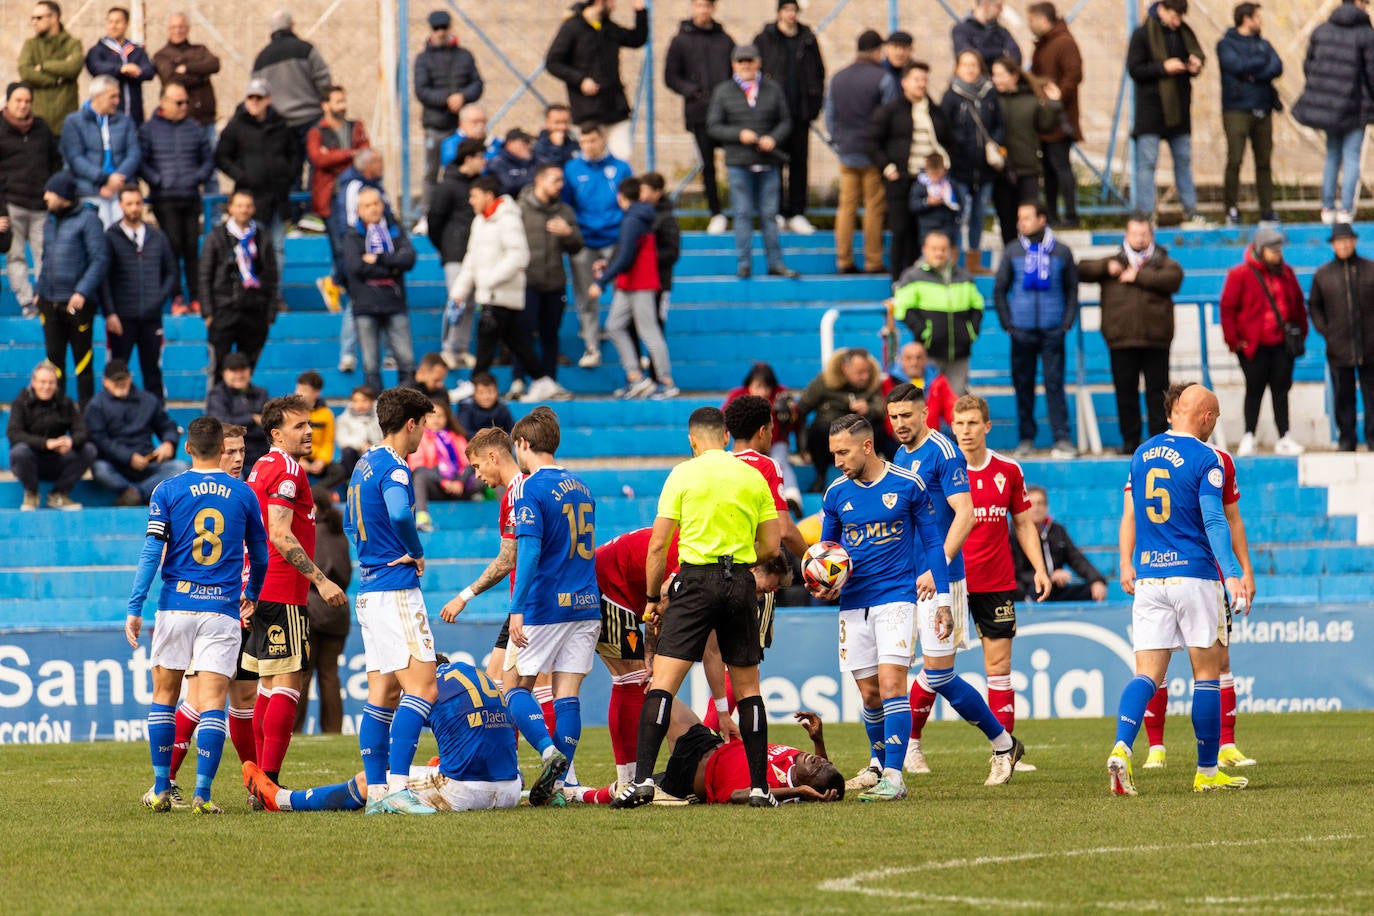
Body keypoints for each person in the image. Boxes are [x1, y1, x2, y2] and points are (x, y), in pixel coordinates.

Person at [612, 406, 780, 809]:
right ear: (725, 437)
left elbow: (657, 544)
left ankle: (641, 783)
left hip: (695, 580)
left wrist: (653, 597)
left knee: (663, 684)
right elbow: (771, 547)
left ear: (692, 441)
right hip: (739, 581)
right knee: (750, 690)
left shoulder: (683, 474)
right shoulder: (753, 476)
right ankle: (760, 789)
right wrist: (739, 559)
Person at [1106, 384, 1248, 796]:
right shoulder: (1209, 458)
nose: (1215, 425)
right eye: (1216, 418)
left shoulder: (1141, 453)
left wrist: (1127, 563)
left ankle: (1121, 745)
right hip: (1195, 576)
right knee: (1207, 674)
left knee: (1147, 674)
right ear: (1204, 417)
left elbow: (1130, 514)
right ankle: (1206, 771)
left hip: (1150, 577)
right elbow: (1215, 520)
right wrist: (1233, 573)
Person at [125, 416, 269, 813]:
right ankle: (203, 796)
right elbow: (259, 555)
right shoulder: (242, 494)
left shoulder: (167, 489)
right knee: (212, 703)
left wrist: (136, 606)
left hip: (175, 606)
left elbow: (152, 552)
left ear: (188, 448)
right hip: (221, 610)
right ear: (221, 449)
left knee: (165, 697)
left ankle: (160, 788)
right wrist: (252, 593)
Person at [811, 413, 953, 800]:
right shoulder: (835, 493)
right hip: (853, 605)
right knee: (870, 696)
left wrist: (942, 599)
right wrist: (824, 585)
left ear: (867, 446)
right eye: (833, 454)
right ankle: (878, 766)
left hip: (896, 599)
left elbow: (934, 544)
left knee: (892, 687)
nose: (837, 461)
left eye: (842, 452)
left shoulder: (908, 485)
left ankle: (894, 775)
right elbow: (827, 553)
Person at [245, 657, 526, 813]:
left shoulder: (427, 686)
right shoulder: (472, 673)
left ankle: (282, 799)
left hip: (466, 792)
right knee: (442, 759)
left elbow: (400, 736)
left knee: (372, 780)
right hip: (512, 788)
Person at [494, 407, 602, 806]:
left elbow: (530, 549)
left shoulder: (527, 487)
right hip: (587, 603)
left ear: (523, 444)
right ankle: (558, 787)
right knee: (567, 693)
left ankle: (548, 752)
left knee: (514, 688)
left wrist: (517, 607)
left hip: (545, 603)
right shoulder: (581, 486)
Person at [343, 386, 441, 815]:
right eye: (423, 425)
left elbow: (351, 524)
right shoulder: (396, 469)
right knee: (423, 688)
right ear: (411, 424)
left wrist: (373, 553)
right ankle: (400, 788)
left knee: (381, 693)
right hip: (396, 589)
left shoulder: (363, 463)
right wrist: (414, 551)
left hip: (369, 588)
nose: (423, 436)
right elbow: (401, 513)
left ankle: (379, 791)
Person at [245, 394, 348, 788]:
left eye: (310, 424)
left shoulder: (262, 465)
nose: (309, 432)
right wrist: (321, 580)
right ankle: (268, 779)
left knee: (268, 686)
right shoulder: (288, 470)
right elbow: (280, 533)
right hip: (283, 588)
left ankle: (259, 781)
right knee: (288, 683)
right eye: (299, 426)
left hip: (260, 586)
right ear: (276, 433)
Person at [879, 383, 975, 778]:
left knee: (938, 672)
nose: (900, 423)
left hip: (941, 579)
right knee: (897, 670)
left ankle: (1001, 744)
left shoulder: (945, 451)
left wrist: (937, 568)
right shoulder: (901, 454)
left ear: (924, 413)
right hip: (906, 579)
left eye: (906, 415)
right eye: (894, 416)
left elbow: (965, 514)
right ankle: (899, 755)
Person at [163, 423, 262, 801]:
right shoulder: (212, 493)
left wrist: (252, 595)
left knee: (242, 697)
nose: (237, 459)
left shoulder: (246, 492)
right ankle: (167, 780)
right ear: (213, 450)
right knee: (205, 699)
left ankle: (254, 786)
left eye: (241, 452)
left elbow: (255, 553)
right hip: (212, 609)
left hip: (241, 607)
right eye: (230, 451)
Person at [952, 395, 1052, 757]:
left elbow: (1024, 524)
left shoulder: (1008, 470)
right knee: (935, 668)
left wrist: (1040, 568)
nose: (965, 431)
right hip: (951, 583)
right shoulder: (944, 471)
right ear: (952, 427)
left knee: (999, 668)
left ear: (987, 426)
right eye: (959, 423)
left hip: (995, 583)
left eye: (972, 423)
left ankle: (1005, 751)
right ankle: (912, 745)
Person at [451, 176, 568, 403]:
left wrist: (489, 280)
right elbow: (471, 259)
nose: (471, 201)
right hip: (490, 293)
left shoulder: (507, 219)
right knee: (517, 341)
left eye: (474, 196)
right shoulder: (480, 222)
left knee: (487, 339)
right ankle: (543, 381)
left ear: (488, 195)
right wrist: (459, 291)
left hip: (502, 294)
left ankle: (476, 383)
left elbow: (519, 255)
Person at [581, 706, 841, 805]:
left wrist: (801, 792)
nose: (819, 760)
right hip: (707, 741)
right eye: (824, 760)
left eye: (819, 768)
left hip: (690, 774)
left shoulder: (783, 789)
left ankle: (581, 795)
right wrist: (818, 741)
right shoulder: (801, 759)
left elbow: (739, 795)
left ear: (809, 786)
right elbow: (823, 767)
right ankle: (583, 793)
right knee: (658, 695)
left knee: (627, 790)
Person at [1079, 215, 1183, 453]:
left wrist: (1138, 276)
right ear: (1126, 236)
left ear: (1151, 236)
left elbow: (1175, 278)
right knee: (1125, 392)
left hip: (1156, 340)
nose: (1139, 238)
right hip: (1121, 340)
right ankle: (1130, 442)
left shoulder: (1162, 261)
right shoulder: (1114, 261)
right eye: (1135, 234)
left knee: (1159, 393)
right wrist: (1106, 267)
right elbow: (1081, 269)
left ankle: (1160, 441)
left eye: (1144, 234)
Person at [438, 425, 524, 687]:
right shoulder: (517, 490)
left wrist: (463, 597)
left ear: (492, 457)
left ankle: (556, 731)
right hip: (521, 602)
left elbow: (507, 559)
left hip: (532, 602)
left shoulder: (520, 492)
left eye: (477, 466)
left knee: (532, 688)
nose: (476, 475)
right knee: (497, 684)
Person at [994, 201, 1079, 459]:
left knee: (1055, 384)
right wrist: (1008, 324)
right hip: (1021, 331)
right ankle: (1026, 439)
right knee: (1023, 385)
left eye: (1027, 217)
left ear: (1042, 219)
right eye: (1020, 217)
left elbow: (1072, 289)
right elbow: (1000, 289)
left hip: (1053, 330)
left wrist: (1066, 322)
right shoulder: (1012, 251)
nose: (1022, 222)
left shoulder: (1062, 251)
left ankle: (1062, 438)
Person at [706, 44, 798, 281]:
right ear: (733, 65)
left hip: (768, 163)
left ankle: (775, 263)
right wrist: (739, 135)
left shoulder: (773, 89)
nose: (745, 65)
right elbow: (713, 126)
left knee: (770, 215)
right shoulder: (723, 91)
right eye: (740, 61)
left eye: (750, 60)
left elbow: (786, 121)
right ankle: (744, 264)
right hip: (739, 163)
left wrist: (773, 138)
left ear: (758, 62)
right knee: (743, 213)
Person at [1219, 226, 1308, 456]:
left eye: (1279, 249)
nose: (1277, 253)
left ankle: (1284, 436)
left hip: (1281, 345)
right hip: (1253, 346)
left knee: (1281, 390)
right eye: (1272, 249)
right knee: (1254, 389)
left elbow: (1297, 303)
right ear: (1260, 249)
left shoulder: (1287, 273)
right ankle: (1249, 435)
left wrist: (1301, 333)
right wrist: (1234, 341)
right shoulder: (1240, 274)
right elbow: (1227, 308)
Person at [868, 61, 955, 281]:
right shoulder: (892, 110)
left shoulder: (935, 111)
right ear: (904, 82)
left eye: (925, 80)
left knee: (924, 235)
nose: (921, 84)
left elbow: (949, 141)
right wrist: (887, 168)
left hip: (929, 182)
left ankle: (924, 281)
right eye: (916, 79)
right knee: (900, 231)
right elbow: (872, 142)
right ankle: (898, 281)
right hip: (901, 181)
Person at [591, 176, 676, 399]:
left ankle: (666, 382)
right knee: (614, 325)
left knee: (649, 332)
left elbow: (627, 256)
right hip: (630, 283)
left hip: (640, 284)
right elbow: (628, 251)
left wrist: (601, 281)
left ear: (621, 197)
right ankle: (637, 378)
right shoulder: (635, 217)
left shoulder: (633, 219)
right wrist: (608, 265)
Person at [1292, 0, 1374, 224]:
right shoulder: (1365, 34)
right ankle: (1346, 210)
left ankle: (1327, 209)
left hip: (1328, 108)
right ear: (1358, 3)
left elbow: (1309, 65)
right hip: (1355, 107)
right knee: (1351, 157)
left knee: (1332, 156)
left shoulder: (1322, 30)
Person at [1127, 0, 1206, 223]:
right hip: (1151, 111)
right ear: (1162, 9)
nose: (1177, 21)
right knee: (1147, 162)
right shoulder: (1142, 34)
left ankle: (1191, 211)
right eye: (1174, 15)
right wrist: (1163, 67)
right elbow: (1134, 68)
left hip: (1178, 111)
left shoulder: (1184, 34)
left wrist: (1195, 65)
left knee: (1183, 160)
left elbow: (1198, 56)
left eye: (1181, 17)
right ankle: (1145, 212)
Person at [35, 171, 109, 408]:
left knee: (82, 363)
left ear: (64, 195)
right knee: (54, 362)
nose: (45, 197)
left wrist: (81, 292)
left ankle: (86, 416)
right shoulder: (49, 221)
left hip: (77, 304)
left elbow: (100, 259)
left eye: (50, 192)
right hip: (50, 302)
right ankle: (56, 413)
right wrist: (39, 291)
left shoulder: (89, 220)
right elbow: (46, 259)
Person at [139, 82, 214, 314]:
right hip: (165, 198)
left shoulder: (194, 127)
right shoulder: (149, 129)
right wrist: (157, 180)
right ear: (163, 102)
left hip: (190, 196)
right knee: (172, 247)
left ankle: (197, 297)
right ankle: (176, 297)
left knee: (192, 248)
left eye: (186, 102)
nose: (184, 107)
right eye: (179, 102)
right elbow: (141, 160)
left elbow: (208, 158)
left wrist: (198, 177)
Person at [545, 0, 648, 163]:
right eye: (611, 2)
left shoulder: (607, 28)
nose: (613, 6)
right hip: (588, 110)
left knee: (622, 157)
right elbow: (552, 62)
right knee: (591, 158)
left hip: (615, 108)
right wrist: (580, 80)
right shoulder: (573, 27)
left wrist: (640, 12)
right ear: (600, 2)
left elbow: (637, 39)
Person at [663, 0, 735, 234]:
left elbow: (737, 74)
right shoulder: (680, 41)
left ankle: (741, 211)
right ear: (692, 7)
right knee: (708, 166)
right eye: (698, 5)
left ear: (713, 8)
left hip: (728, 115)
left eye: (707, 6)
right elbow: (671, 76)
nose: (702, 10)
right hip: (699, 114)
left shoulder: (725, 40)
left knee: (736, 162)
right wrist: (692, 91)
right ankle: (716, 213)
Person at [563, 123, 631, 368]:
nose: (588, 146)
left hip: (613, 239)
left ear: (603, 139)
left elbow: (629, 203)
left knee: (623, 292)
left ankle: (629, 348)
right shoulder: (572, 168)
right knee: (585, 295)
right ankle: (592, 347)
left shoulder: (621, 168)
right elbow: (566, 205)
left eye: (592, 140)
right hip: (584, 240)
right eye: (584, 142)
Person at [753, 1, 824, 234]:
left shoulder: (807, 38)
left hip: (800, 113)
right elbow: (755, 75)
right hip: (774, 117)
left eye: (794, 10)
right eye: (786, 10)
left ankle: (796, 212)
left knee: (799, 164)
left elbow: (818, 73)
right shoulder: (765, 39)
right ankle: (776, 212)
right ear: (779, 12)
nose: (790, 15)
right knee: (774, 164)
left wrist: (814, 106)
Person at [101, 187, 177, 401]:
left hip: (151, 318)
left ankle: (160, 422)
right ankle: (115, 418)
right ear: (120, 205)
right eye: (129, 203)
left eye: (137, 203)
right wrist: (110, 313)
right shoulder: (110, 237)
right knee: (117, 371)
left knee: (153, 372)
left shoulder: (158, 236)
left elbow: (171, 272)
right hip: (121, 319)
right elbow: (104, 279)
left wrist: (158, 299)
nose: (134, 208)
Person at [215, 79, 297, 275]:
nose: (254, 102)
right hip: (250, 198)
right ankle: (252, 294)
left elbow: (295, 154)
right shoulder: (236, 125)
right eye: (250, 97)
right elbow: (221, 156)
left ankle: (274, 296)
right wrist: (241, 176)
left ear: (268, 100)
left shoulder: (281, 125)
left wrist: (287, 175)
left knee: (277, 248)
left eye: (259, 98)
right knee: (249, 247)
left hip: (277, 197)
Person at [343, 187, 418, 395]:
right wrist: (392, 265)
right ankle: (377, 412)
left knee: (406, 359)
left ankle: (406, 405)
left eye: (376, 203)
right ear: (359, 210)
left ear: (382, 205)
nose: (373, 209)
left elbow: (409, 258)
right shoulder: (352, 236)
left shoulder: (395, 229)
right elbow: (356, 266)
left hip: (394, 303)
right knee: (370, 363)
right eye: (367, 205)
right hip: (365, 305)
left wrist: (378, 258)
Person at [825, 30, 889, 275]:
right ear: (876, 50)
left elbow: (829, 116)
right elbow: (888, 116)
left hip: (847, 151)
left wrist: (838, 142)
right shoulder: (882, 78)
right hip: (873, 153)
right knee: (874, 207)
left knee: (847, 207)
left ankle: (844, 260)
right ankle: (873, 261)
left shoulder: (838, 78)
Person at [890, 230, 984, 395]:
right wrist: (924, 332)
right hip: (928, 354)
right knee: (928, 403)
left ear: (950, 251)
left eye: (943, 249)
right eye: (934, 249)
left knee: (957, 405)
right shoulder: (913, 276)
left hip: (960, 355)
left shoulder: (964, 276)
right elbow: (901, 308)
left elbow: (978, 306)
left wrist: (971, 332)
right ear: (924, 250)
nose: (939, 253)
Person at [199, 189, 279, 380]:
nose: (244, 210)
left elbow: (271, 275)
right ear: (231, 208)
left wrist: (270, 312)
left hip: (254, 309)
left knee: (248, 366)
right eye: (239, 206)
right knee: (218, 367)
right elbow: (204, 276)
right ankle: (217, 407)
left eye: (248, 206)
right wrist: (208, 312)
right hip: (223, 309)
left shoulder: (262, 237)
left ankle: (245, 405)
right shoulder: (216, 237)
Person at [518, 161, 584, 392]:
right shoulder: (520, 208)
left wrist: (568, 234)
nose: (560, 185)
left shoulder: (564, 211)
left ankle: (550, 381)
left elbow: (578, 245)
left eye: (561, 180)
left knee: (550, 335)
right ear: (539, 180)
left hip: (554, 283)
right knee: (522, 332)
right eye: (555, 180)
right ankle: (520, 380)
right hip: (526, 282)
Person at [85, 358, 186, 505]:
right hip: (115, 466)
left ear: (130, 378)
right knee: (100, 469)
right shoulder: (96, 406)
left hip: (149, 463)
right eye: (115, 380)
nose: (120, 383)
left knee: (181, 468)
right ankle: (142, 492)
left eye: (123, 379)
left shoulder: (148, 400)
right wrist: (128, 457)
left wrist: (169, 443)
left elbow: (167, 426)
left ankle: (134, 494)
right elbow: (100, 440)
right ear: (105, 382)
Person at [1309, 224, 1374, 451]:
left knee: (1372, 396)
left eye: (1348, 240)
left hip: (1370, 347)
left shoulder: (1370, 269)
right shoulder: (1323, 274)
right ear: (1333, 244)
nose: (1345, 244)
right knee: (1343, 397)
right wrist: (1326, 331)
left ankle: (1373, 438)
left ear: (1355, 241)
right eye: (1340, 241)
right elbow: (1314, 306)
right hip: (1339, 348)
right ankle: (1347, 439)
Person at [0, 82, 61, 318]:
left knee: (45, 254)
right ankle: (27, 302)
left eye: (27, 101)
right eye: (18, 100)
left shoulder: (42, 128)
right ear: (8, 101)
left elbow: (55, 160)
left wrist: (51, 189)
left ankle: (45, 298)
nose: (23, 105)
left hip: (39, 204)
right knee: (15, 256)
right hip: (11, 204)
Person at [414, 9, 483, 215]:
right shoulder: (424, 59)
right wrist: (448, 99)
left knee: (465, 168)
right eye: (437, 28)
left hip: (462, 127)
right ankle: (429, 214)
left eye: (444, 28)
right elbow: (422, 90)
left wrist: (462, 97)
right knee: (432, 172)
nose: (441, 32)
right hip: (436, 125)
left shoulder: (464, 56)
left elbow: (477, 84)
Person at [327, 149, 393, 366]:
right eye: (380, 162)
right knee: (356, 300)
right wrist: (352, 255)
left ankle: (389, 354)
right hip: (358, 255)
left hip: (378, 256)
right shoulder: (354, 188)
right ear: (369, 165)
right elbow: (348, 225)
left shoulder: (373, 185)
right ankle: (348, 352)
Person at [1217, 3, 1281, 224]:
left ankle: (1267, 210)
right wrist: (1259, 66)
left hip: (1263, 107)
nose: (1260, 21)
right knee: (1235, 159)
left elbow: (1277, 66)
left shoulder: (1264, 44)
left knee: (1264, 161)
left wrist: (1251, 72)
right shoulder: (1226, 44)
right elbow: (1234, 65)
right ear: (1246, 18)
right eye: (1257, 17)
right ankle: (1231, 209)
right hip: (1236, 109)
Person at [296, 483, 352, 734]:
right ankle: (333, 731)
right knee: (330, 676)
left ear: (314, 506)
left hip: (313, 610)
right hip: (339, 612)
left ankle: (293, 731)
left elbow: (306, 572)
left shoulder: (312, 532)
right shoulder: (340, 533)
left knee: (303, 675)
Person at [989, 57, 1063, 243]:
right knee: (1006, 219)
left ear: (1014, 76)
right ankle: (1011, 259)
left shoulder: (1031, 99)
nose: (995, 79)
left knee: (1030, 218)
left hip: (1027, 168)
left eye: (1000, 75)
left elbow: (1046, 126)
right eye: (994, 75)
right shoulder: (990, 100)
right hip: (1001, 170)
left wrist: (1053, 104)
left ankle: (1033, 258)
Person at [724, 396, 808, 558]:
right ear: (762, 432)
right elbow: (784, 530)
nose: (772, 435)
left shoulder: (716, 463)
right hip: (746, 567)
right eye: (771, 429)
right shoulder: (767, 465)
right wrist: (813, 561)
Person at [941, 51, 1003, 273]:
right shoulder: (951, 96)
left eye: (973, 64)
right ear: (957, 68)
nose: (969, 69)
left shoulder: (989, 95)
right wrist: (960, 146)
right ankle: (953, 263)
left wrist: (994, 143)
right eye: (965, 64)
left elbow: (999, 124)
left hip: (984, 169)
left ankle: (974, 262)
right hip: (960, 168)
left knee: (979, 215)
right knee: (958, 215)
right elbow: (945, 129)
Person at [8, 360, 95, 510]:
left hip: (58, 460)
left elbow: (82, 430)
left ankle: (59, 494)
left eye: (51, 382)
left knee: (89, 450)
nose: (47, 387)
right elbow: (14, 434)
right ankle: (31, 493)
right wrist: (46, 443)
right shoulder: (20, 402)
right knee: (19, 452)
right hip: (31, 462)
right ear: (33, 382)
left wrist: (70, 442)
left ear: (56, 384)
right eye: (42, 382)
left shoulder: (65, 402)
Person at [430, 138, 486, 369]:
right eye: (481, 157)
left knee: (471, 303)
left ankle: (462, 348)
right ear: (469, 158)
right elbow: (435, 220)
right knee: (457, 300)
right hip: (455, 253)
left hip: (475, 254)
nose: (484, 162)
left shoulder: (480, 185)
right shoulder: (448, 185)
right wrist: (445, 247)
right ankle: (448, 348)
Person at [797, 347, 887, 491]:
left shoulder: (872, 382)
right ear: (845, 369)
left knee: (878, 429)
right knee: (818, 430)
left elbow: (882, 409)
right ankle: (820, 475)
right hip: (829, 440)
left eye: (867, 371)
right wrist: (801, 447)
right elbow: (801, 410)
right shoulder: (825, 380)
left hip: (859, 439)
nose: (865, 376)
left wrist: (868, 408)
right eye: (860, 372)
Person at [251, 9, 333, 165]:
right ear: (292, 26)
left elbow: (257, 93)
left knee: (289, 176)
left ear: (271, 29)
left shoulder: (261, 59)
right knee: (317, 169)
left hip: (280, 123)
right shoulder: (306, 49)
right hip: (312, 118)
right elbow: (324, 81)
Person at [60, 75, 140, 228]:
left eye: (118, 96)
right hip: (90, 191)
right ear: (98, 96)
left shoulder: (125, 121)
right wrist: (103, 180)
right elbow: (75, 158)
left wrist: (116, 180)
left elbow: (134, 153)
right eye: (113, 97)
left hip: (120, 191)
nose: (117, 101)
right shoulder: (74, 122)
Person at [1028, 3, 1082, 227]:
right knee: (1049, 171)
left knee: (1061, 168)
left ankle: (1070, 215)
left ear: (1042, 19)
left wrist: (1058, 96)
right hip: (1046, 120)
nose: (1029, 25)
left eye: (1031, 20)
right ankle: (1051, 215)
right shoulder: (1046, 44)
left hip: (1060, 120)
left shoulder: (1063, 42)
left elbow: (1074, 73)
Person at [723, 362, 802, 510]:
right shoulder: (738, 396)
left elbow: (796, 423)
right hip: (745, 442)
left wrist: (791, 413)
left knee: (779, 462)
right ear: (749, 384)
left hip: (776, 441)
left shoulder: (782, 395)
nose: (763, 391)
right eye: (758, 386)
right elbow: (725, 419)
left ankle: (792, 497)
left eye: (767, 387)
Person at [1015, 486, 1106, 602]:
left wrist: (1096, 580)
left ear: (1046, 507)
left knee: (1091, 590)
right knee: (1029, 590)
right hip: (1029, 589)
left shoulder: (1057, 531)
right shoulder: (1015, 533)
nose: (1036, 508)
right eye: (1031, 504)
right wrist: (1049, 577)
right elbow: (1018, 573)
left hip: (1055, 589)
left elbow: (1077, 559)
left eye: (1040, 503)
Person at [152, 12, 221, 150]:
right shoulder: (161, 55)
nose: (178, 31)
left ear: (188, 29)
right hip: (180, 122)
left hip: (205, 120)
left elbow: (214, 64)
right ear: (168, 30)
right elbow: (172, 79)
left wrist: (188, 67)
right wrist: (202, 75)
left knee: (210, 163)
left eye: (181, 27)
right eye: (174, 27)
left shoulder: (200, 49)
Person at [306, 85, 370, 231]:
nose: (343, 106)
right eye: (338, 102)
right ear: (325, 106)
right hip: (331, 197)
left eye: (344, 101)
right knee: (339, 247)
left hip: (356, 193)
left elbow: (365, 156)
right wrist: (349, 154)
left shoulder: (356, 127)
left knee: (358, 241)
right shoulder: (317, 132)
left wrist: (331, 155)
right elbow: (319, 159)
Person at [18, 1, 83, 137]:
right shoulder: (31, 45)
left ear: (54, 17)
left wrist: (43, 66)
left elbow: (74, 67)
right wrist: (57, 79)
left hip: (66, 124)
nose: (34, 22)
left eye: (39, 18)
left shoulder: (72, 43)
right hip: (37, 125)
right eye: (33, 18)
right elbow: (25, 71)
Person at [409, 398, 475, 532]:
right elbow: (417, 467)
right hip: (436, 487)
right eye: (431, 415)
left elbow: (470, 463)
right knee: (420, 475)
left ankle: (510, 517)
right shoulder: (419, 438)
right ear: (423, 419)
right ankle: (422, 517)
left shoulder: (457, 437)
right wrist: (444, 482)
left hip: (459, 486)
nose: (436, 419)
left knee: (484, 474)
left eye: (440, 416)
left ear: (447, 418)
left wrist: (460, 482)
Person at [85, 6, 154, 124]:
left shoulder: (136, 50)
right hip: (107, 116)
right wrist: (121, 69)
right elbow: (96, 68)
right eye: (110, 21)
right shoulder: (98, 50)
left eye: (118, 22)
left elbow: (149, 70)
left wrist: (135, 72)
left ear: (127, 24)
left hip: (134, 114)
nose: (113, 25)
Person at [206, 353, 270, 468]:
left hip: (259, 457)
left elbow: (268, 428)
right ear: (224, 373)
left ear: (249, 371)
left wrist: (238, 426)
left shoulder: (261, 394)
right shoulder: (216, 395)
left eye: (243, 370)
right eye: (234, 370)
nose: (239, 375)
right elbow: (220, 426)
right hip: (228, 459)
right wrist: (252, 419)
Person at [883, 341, 958, 432]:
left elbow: (952, 408)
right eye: (909, 358)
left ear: (925, 359)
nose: (914, 363)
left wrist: (961, 424)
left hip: (930, 438)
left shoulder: (938, 382)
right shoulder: (889, 382)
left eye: (919, 358)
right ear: (901, 360)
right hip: (896, 439)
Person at [296, 371, 344, 488]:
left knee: (339, 471)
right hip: (298, 457)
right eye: (298, 388)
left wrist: (322, 461)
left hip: (317, 458)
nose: (298, 393)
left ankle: (315, 493)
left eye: (304, 390)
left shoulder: (326, 414)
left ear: (316, 392)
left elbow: (328, 442)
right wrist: (300, 460)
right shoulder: (293, 412)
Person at [912, 153, 959, 251]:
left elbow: (959, 204)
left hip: (947, 226)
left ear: (944, 169)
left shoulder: (950, 184)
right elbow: (913, 205)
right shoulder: (920, 185)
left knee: (946, 256)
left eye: (938, 173)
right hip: (927, 227)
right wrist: (927, 202)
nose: (936, 177)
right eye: (933, 174)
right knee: (927, 258)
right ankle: (926, 266)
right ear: (927, 170)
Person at [953, 0, 1021, 67]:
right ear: (986, 5)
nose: (1001, 11)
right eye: (998, 6)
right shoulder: (961, 30)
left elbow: (1016, 57)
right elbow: (969, 58)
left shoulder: (1002, 32)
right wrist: (1001, 54)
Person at [335, 384, 382, 476]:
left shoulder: (380, 416)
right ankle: (353, 479)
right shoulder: (344, 419)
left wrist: (373, 448)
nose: (360, 404)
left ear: (372, 401)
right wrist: (361, 444)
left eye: (364, 400)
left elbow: (384, 435)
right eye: (356, 401)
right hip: (356, 454)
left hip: (377, 452)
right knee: (347, 452)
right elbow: (342, 439)